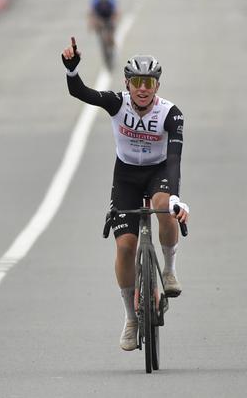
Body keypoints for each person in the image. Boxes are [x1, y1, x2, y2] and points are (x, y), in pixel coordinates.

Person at [61, 37, 190, 351]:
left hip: (159, 173)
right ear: (127, 83)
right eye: (136, 82)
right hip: (127, 177)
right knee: (125, 247)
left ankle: (170, 271)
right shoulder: (116, 103)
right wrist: (72, 70)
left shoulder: (171, 114)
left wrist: (174, 198)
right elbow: (81, 92)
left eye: (148, 82)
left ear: (157, 86)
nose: (142, 88)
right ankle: (131, 318)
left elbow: (173, 160)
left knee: (163, 206)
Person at [88, 0, 119, 67]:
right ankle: (104, 46)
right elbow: (91, 14)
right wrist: (92, 24)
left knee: (110, 32)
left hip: (109, 17)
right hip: (100, 17)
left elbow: (116, 12)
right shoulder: (95, 1)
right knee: (99, 30)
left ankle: (112, 44)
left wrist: (113, 21)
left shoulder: (111, 0)